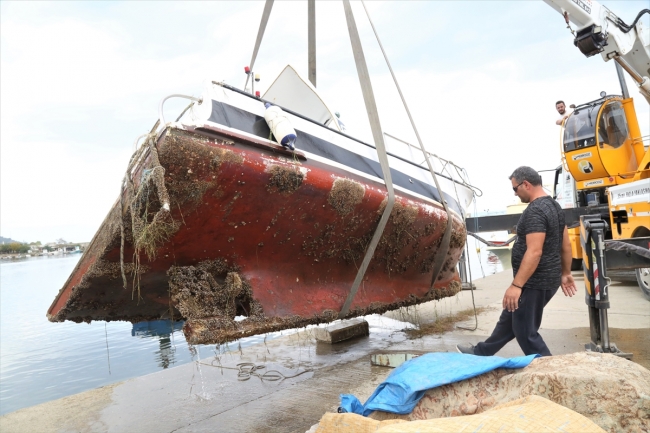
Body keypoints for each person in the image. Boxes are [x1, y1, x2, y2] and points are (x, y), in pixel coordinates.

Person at [457, 166, 577, 357]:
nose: (515, 193)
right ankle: (481, 353)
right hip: (548, 279)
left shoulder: (535, 211)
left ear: (526, 184)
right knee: (509, 320)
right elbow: (565, 245)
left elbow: (535, 251)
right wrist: (566, 273)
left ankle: (551, 372)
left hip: (534, 283)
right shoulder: (554, 206)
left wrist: (516, 285)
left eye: (515, 189)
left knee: (525, 332)